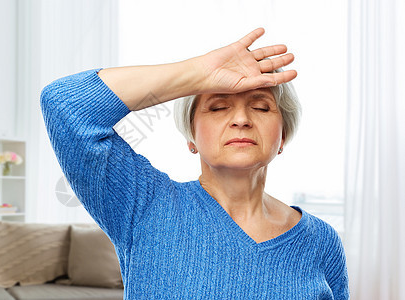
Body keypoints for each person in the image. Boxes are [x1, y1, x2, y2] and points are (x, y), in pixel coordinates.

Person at [41, 28, 348, 299]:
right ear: (191, 137)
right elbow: (64, 104)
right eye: (218, 107)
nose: (241, 119)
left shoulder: (322, 241)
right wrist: (199, 73)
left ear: (283, 136)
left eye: (260, 106)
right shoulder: (145, 204)